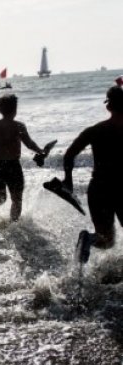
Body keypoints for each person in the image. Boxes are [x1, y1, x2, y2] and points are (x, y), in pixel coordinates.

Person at [63, 86, 123, 254]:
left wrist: (68, 180)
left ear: (108, 107)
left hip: (99, 188)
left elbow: (69, 155)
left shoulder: (94, 131)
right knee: (108, 242)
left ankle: (88, 239)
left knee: (105, 239)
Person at [0, 94, 45, 222]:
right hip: (13, 165)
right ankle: (14, 225)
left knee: (0, 198)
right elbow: (29, 144)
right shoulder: (19, 126)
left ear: (0, 110)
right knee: (17, 199)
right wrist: (40, 151)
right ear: (15, 110)